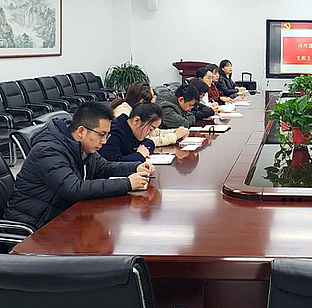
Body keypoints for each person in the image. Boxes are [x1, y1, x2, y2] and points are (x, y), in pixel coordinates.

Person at [5, 102, 155, 230]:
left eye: (107, 135)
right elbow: (74, 188)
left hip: (62, 217)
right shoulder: (49, 150)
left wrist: (136, 167)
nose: (104, 141)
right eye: (101, 135)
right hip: (35, 226)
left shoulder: (80, 145)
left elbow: (103, 167)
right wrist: (128, 183)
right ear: (81, 131)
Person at [111, 82, 189, 146]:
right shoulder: (123, 113)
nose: (154, 100)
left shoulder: (133, 110)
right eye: (152, 99)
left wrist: (175, 131)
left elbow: (152, 132)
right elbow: (142, 140)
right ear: (142, 102)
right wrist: (174, 137)